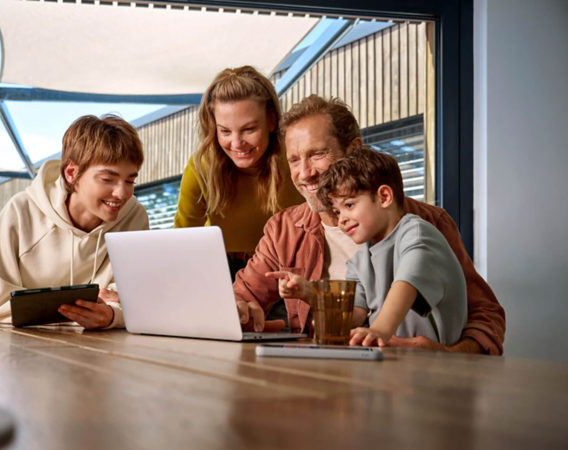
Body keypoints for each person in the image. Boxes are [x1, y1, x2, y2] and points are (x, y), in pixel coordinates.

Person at [237, 95, 506, 354]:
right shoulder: (285, 231)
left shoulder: (424, 225)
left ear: (353, 150)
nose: (304, 173)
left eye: (317, 154)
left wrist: (450, 356)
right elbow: (350, 310)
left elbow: (480, 311)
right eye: (294, 159)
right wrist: (302, 294)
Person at [0, 114, 149, 329]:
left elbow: (138, 300)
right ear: (72, 173)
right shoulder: (21, 211)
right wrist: (78, 311)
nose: (121, 193)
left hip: (100, 346)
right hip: (14, 342)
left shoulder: (134, 216)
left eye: (130, 180)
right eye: (108, 179)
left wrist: (111, 316)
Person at [315, 148, 467, 347]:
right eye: (336, 211)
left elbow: (405, 284)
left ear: (384, 197)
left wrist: (378, 330)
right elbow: (354, 315)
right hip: (388, 360)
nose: (341, 219)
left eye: (349, 205)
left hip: (433, 365)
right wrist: (308, 295)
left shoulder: (418, 235)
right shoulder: (359, 261)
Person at [174, 66, 304, 282]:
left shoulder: (295, 160)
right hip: (220, 269)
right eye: (225, 131)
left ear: (271, 120)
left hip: (288, 266)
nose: (236, 144)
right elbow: (182, 241)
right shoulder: (201, 166)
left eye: (249, 129)